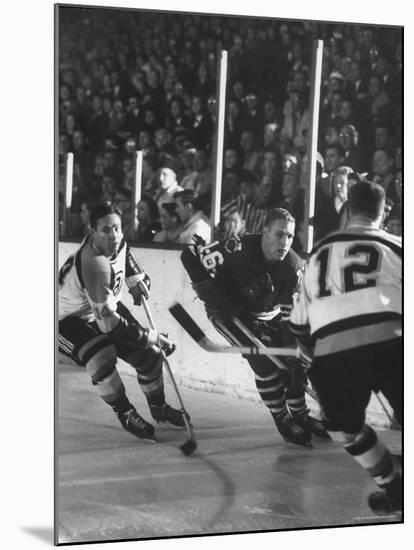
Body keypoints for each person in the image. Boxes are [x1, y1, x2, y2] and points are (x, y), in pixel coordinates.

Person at [289, 181, 402, 513]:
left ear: (348, 209)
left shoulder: (318, 253)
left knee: (344, 429)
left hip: (334, 355)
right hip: (392, 344)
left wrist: (310, 355)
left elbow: (299, 325)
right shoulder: (397, 246)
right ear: (382, 213)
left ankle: (394, 487)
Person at [181, 208, 329, 447]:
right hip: (231, 316)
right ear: (265, 232)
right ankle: (282, 418)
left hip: (271, 315)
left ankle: (300, 415)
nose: (285, 242)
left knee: (293, 362)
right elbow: (189, 256)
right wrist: (209, 291)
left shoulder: (293, 267)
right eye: (279, 235)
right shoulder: (236, 248)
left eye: (290, 236)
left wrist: (292, 356)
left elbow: (289, 319)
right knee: (265, 362)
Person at [58, 202, 186, 441]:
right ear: (92, 231)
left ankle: (159, 408)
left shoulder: (119, 245)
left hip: (98, 310)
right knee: (102, 356)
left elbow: (134, 273)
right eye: (106, 230)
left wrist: (141, 283)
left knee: (150, 356)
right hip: (65, 320)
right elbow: (109, 326)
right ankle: (125, 413)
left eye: (117, 228)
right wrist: (151, 336)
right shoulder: (94, 263)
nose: (114, 236)